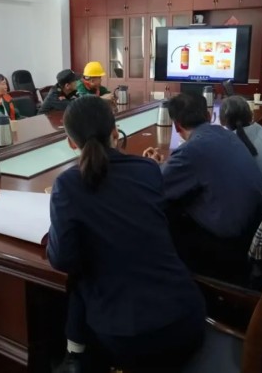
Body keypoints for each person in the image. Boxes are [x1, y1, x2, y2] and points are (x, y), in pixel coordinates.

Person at [48, 96, 205, 372]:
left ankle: (74, 356)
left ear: (71, 142)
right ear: (115, 132)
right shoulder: (148, 169)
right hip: (188, 319)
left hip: (130, 339)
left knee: (85, 273)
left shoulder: (67, 184)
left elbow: (63, 260)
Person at [143, 93, 262, 281]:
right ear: (209, 116)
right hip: (253, 231)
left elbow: (155, 186)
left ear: (176, 126)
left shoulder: (190, 151)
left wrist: (152, 166)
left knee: (159, 213)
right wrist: (165, 165)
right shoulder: (227, 134)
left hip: (229, 247)